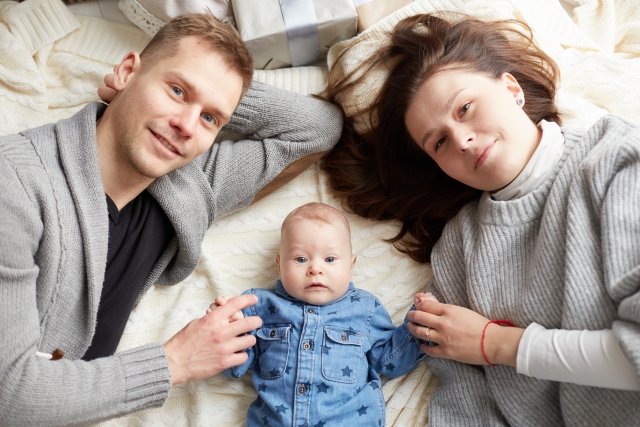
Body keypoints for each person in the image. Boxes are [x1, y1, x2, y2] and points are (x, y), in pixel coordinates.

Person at [0, 12, 342, 426]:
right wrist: (175, 361)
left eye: (209, 118)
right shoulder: (14, 183)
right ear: (126, 70)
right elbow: (9, 394)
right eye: (177, 91)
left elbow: (319, 127)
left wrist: (220, 93)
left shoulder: (189, 189)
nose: (185, 126)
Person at [321, 13, 640, 426]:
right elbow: (464, 404)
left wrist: (495, 343)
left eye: (465, 108)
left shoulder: (616, 159)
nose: (462, 139)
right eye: (439, 142)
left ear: (512, 89)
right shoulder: (458, 250)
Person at [214, 202, 426, 427]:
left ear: (351, 265)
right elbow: (234, 369)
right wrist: (229, 329)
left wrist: (418, 325)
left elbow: (390, 363)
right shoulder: (259, 306)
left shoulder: (364, 308)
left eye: (330, 259)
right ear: (279, 265)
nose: (315, 269)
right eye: (301, 259)